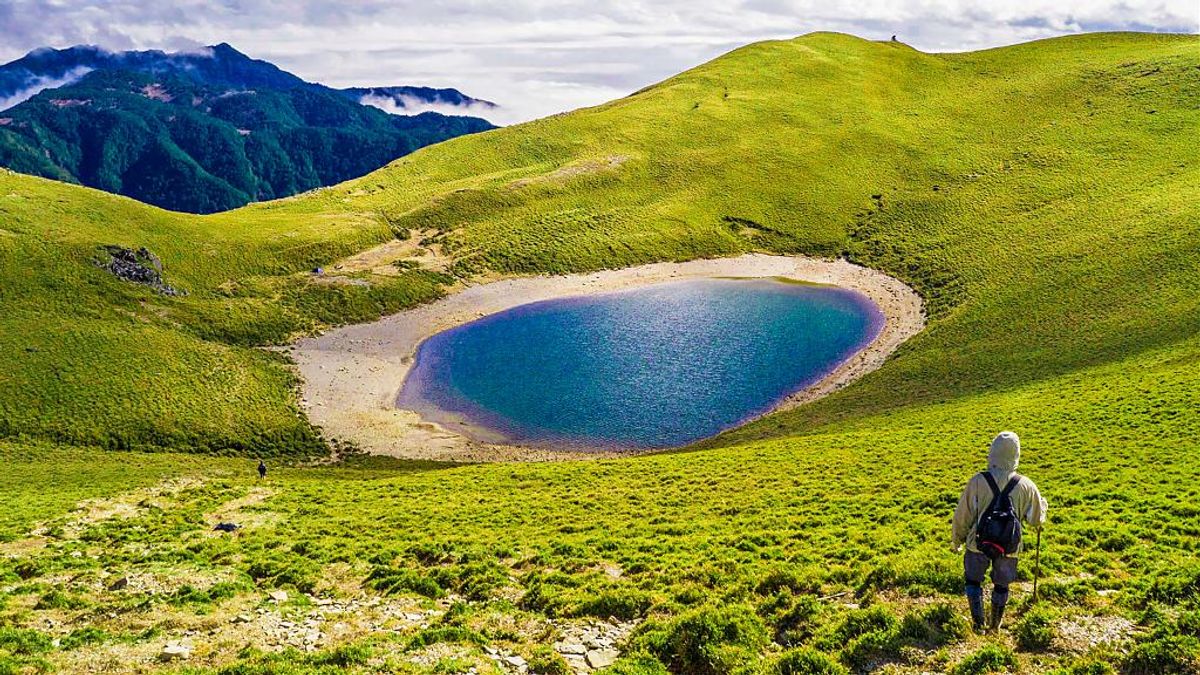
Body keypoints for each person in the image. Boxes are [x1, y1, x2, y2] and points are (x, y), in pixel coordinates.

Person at [951, 431, 1047, 631]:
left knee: (972, 580)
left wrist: (957, 540)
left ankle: (978, 624)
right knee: (1002, 585)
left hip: (977, 544)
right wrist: (1043, 507)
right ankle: (995, 626)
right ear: (1016, 454)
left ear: (992, 452)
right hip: (1009, 547)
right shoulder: (1027, 485)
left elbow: (963, 514)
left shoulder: (978, 481)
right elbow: (1036, 521)